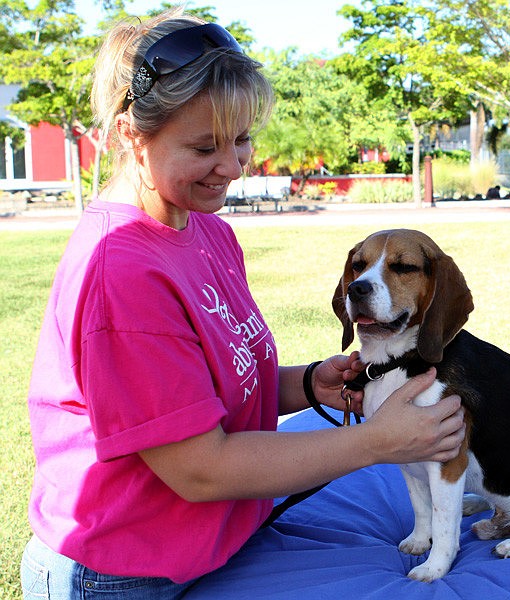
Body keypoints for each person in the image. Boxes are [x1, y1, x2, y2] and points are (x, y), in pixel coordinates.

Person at [21, 8, 465, 599]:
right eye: (205, 146)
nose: (232, 167)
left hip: (211, 548)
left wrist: (306, 385)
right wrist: (375, 441)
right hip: (121, 571)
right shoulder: (121, 271)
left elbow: (205, 390)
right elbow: (200, 470)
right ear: (132, 136)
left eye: (242, 139)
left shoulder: (206, 230)